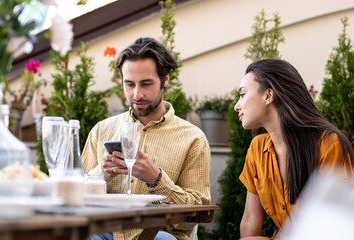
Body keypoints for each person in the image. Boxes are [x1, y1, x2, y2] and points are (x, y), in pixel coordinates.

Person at [82, 37, 211, 240]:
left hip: (160, 236)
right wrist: (102, 174)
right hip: (105, 234)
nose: (137, 94)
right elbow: (77, 200)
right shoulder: (102, 130)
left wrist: (157, 179)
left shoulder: (192, 138)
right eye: (129, 84)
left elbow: (196, 215)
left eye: (146, 84)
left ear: (165, 79)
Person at [234, 59, 354, 239]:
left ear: (268, 95)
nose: (237, 106)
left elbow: (336, 226)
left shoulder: (329, 144)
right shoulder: (257, 148)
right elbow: (251, 220)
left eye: (243, 94)